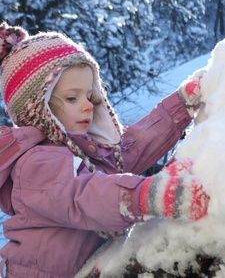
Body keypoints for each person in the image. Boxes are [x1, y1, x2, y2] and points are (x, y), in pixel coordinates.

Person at [0, 22, 209, 278]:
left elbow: (130, 150)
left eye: (90, 96)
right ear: (38, 109)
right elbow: (85, 196)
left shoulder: (85, 152)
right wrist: (147, 196)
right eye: (72, 98)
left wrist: (180, 106)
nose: (88, 106)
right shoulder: (35, 164)